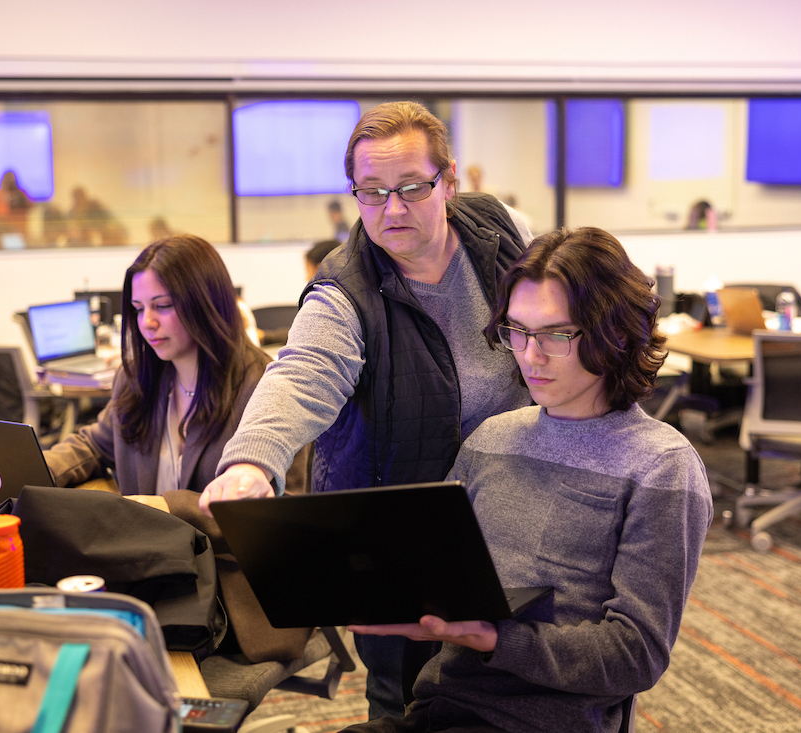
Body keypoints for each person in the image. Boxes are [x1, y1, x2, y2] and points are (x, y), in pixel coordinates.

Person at [201, 100, 533, 718]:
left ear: (449, 181)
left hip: (511, 516)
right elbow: (302, 375)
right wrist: (251, 462)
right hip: (404, 533)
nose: (392, 210)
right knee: (402, 699)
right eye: (372, 192)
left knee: (517, 687)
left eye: (412, 188)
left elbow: (568, 304)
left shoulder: (504, 231)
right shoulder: (345, 289)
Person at [343, 227, 714, 733]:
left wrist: (496, 639)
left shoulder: (661, 466)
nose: (529, 355)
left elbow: (636, 654)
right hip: (441, 709)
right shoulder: (491, 440)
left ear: (619, 333)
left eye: (555, 335)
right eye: (517, 331)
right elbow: (434, 569)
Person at [43, 234, 311, 659]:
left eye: (162, 306)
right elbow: (94, 444)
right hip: (149, 565)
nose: (147, 322)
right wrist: (32, 469)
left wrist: (168, 506)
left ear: (206, 303)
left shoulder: (264, 388)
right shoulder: (141, 378)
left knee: (108, 652)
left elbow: (276, 523)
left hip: (228, 588)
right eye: (138, 309)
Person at [0, 170, 32, 236]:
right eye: (8, 179)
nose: (11, 181)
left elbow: (30, 205)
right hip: (5, 229)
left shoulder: (21, 193)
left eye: (12, 179)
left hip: (21, 227)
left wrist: (20, 201)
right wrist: (7, 202)